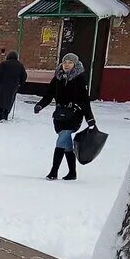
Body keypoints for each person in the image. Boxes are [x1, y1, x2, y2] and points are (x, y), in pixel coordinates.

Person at [34, 52, 96, 180]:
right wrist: (40, 105)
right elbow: (49, 94)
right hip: (59, 114)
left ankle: (53, 171)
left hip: (74, 115)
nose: (66, 65)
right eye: (64, 62)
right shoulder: (58, 77)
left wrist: (89, 118)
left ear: (75, 64)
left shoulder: (80, 79)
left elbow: (85, 100)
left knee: (61, 140)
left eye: (70, 62)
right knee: (67, 144)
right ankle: (72, 173)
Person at [0, 51, 27, 122]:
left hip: (2, 86)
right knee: (9, 101)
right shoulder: (20, 65)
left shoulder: (4, 64)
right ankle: (6, 114)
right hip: (13, 86)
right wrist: (20, 83)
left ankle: (1, 115)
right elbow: (24, 76)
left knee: (1, 100)